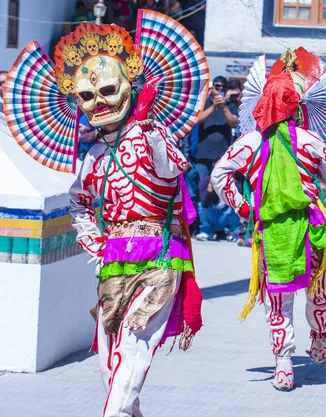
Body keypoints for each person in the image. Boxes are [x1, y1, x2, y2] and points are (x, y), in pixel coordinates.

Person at [54, 21, 203, 416]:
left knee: (133, 347)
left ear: (129, 87)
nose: (100, 103)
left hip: (160, 257)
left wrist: (145, 122)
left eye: (108, 90)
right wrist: (95, 243)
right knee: (109, 362)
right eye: (88, 96)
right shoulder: (94, 157)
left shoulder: (152, 134)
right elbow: (79, 204)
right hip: (113, 261)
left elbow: (171, 170)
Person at [212, 48, 326, 391]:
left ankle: (283, 364)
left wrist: (244, 206)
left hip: (271, 230)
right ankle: (319, 338)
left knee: (278, 297)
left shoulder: (250, 143)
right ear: (297, 105)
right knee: (319, 289)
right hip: (313, 226)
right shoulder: (312, 141)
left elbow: (219, 174)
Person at [195, 76, 239, 179]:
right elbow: (197, 120)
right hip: (204, 153)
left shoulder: (231, 106)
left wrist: (224, 107)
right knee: (203, 185)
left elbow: (234, 123)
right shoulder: (204, 104)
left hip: (222, 153)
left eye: (223, 87)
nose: (220, 89)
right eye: (217, 86)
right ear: (212, 88)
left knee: (220, 184)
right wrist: (214, 106)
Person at [196, 176, 239, 241]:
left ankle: (231, 232)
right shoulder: (204, 182)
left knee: (237, 205)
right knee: (201, 205)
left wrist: (233, 188)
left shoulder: (233, 182)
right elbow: (204, 204)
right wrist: (210, 187)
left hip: (226, 215)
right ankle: (206, 232)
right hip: (213, 215)